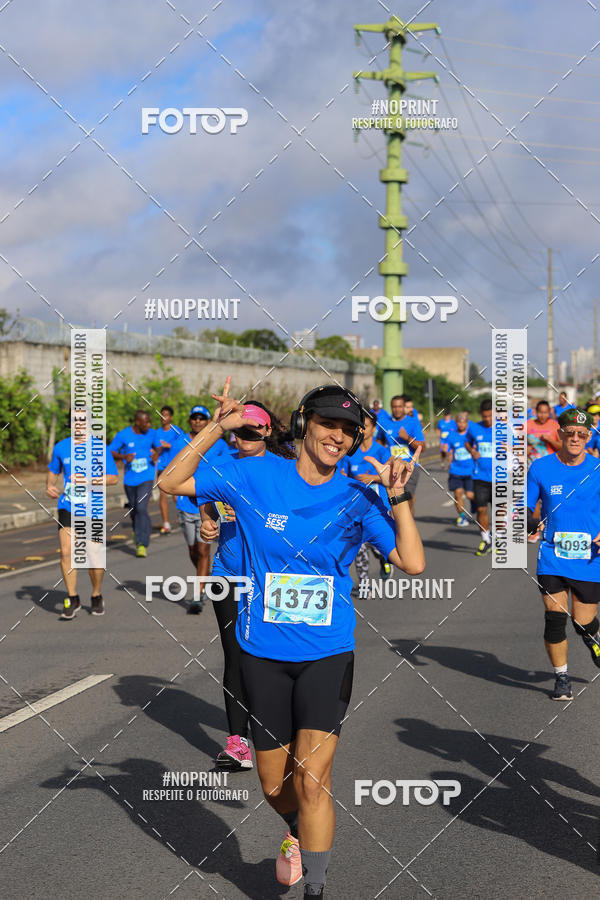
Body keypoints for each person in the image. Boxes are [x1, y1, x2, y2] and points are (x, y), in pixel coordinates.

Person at [162, 382, 425, 899]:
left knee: (312, 780)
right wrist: (220, 426)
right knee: (273, 784)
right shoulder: (254, 474)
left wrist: (399, 499)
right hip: (262, 654)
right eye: (330, 425)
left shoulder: (358, 495)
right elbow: (171, 482)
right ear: (305, 423)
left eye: (350, 431)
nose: (339, 437)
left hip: (327, 653)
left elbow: (413, 563)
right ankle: (297, 832)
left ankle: (317, 889)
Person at [199, 401, 296, 771]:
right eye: (238, 430)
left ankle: (280, 728)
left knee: (273, 655)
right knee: (235, 655)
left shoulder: (287, 471)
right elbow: (205, 506)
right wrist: (208, 523)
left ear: (268, 431)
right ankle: (238, 743)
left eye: (253, 429)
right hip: (228, 574)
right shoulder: (220, 468)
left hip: (272, 577)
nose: (245, 436)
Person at [527, 408, 600, 701]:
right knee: (554, 618)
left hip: (589, 558)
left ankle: (593, 639)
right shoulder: (541, 468)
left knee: (582, 621)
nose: (575, 438)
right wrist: (531, 523)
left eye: (582, 434)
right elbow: (524, 507)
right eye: (570, 433)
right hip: (552, 555)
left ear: (589, 437)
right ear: (560, 434)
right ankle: (561, 678)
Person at [47, 411, 119, 619]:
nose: (78, 423)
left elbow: (113, 478)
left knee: (94, 554)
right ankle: (72, 597)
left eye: (82, 420)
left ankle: (96, 595)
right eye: (74, 420)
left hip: (93, 506)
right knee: (66, 552)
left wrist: (88, 480)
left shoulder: (100, 447)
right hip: (68, 505)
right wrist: (49, 486)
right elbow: (53, 471)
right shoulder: (61, 447)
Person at [170, 405, 231, 614]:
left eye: (202, 418)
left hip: (209, 506)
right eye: (194, 418)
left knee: (204, 549)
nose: (197, 421)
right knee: (193, 550)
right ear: (190, 421)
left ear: (207, 421)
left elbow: (228, 471)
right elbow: (171, 471)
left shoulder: (219, 444)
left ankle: (198, 595)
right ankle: (202, 577)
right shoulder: (179, 443)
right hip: (185, 504)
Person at [338, 409, 392, 591]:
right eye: (358, 426)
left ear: (374, 428)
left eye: (365, 426)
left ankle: (385, 559)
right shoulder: (350, 451)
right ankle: (364, 584)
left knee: (376, 545)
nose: (361, 429)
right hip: (355, 507)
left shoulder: (382, 451)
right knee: (359, 547)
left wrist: (373, 478)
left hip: (378, 506)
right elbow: (341, 473)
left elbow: (391, 475)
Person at [109, 410, 163, 558]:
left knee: (141, 507)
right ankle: (136, 529)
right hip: (130, 479)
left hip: (147, 477)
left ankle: (142, 543)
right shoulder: (123, 435)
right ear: (137, 422)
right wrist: (123, 456)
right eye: (146, 422)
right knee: (134, 510)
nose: (149, 424)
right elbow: (110, 451)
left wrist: (156, 453)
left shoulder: (152, 433)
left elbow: (158, 447)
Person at [376, 395, 425, 514]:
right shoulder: (384, 422)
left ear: (404, 407)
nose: (397, 409)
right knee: (394, 502)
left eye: (399, 406)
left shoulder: (413, 422)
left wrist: (407, 438)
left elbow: (422, 447)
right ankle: (398, 528)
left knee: (406, 500)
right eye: (394, 407)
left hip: (410, 467)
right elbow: (379, 441)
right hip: (392, 466)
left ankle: (408, 527)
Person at [465, 398, 494, 556]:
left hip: (501, 478)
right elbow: (467, 442)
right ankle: (486, 540)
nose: (487, 420)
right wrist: (472, 451)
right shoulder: (474, 428)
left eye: (490, 416)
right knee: (481, 509)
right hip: (480, 477)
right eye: (485, 417)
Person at [155, 405, 182, 534]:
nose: (163, 417)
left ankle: (183, 517)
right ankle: (166, 523)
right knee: (163, 495)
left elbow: (185, 445)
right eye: (161, 414)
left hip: (175, 467)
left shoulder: (177, 431)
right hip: (161, 467)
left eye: (165, 414)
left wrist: (169, 445)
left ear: (171, 417)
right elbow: (153, 447)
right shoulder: (156, 433)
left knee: (176, 496)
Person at [446, 412, 474, 527]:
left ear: (467, 423)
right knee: (457, 494)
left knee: (470, 495)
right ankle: (462, 516)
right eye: (459, 421)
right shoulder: (451, 435)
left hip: (471, 471)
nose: (461, 424)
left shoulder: (472, 435)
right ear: (456, 422)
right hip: (456, 470)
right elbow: (449, 450)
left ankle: (474, 505)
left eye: (464, 422)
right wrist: (449, 460)